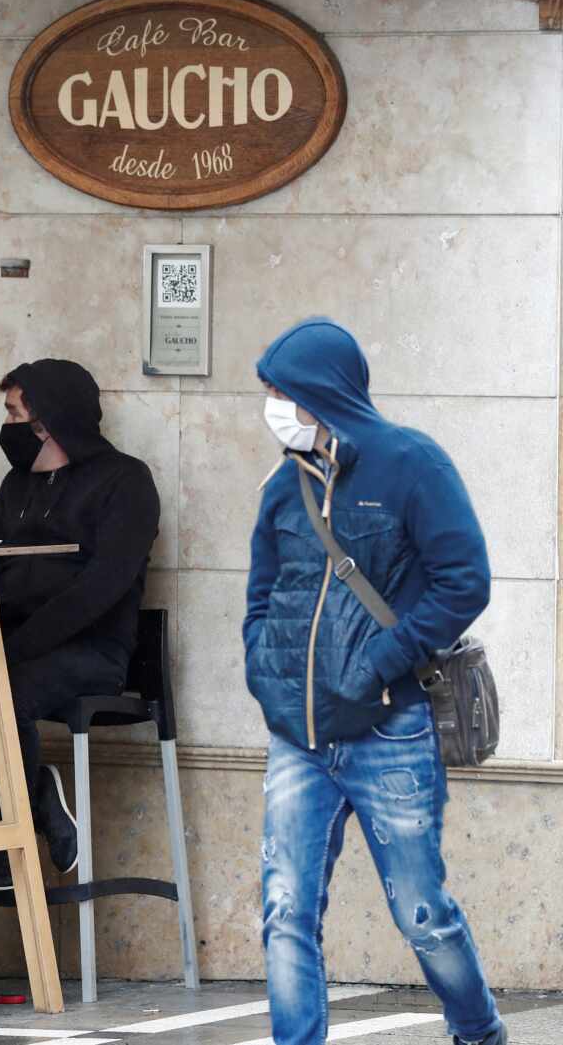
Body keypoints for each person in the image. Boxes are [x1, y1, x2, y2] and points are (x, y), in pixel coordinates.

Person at [244, 319, 506, 1045]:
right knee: (286, 906)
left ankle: (479, 1031)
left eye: (279, 392)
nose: (271, 406)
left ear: (317, 392)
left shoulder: (413, 464)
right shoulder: (283, 483)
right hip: (297, 736)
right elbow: (263, 591)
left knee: (423, 911)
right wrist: (263, 672)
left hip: (391, 728)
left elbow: (465, 581)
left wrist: (382, 661)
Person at [0, 359, 161, 891]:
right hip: (12, 649)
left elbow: (102, 588)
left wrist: (7, 649)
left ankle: (6, 857)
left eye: (14, 412)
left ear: (47, 421)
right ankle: (38, 799)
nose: (6, 425)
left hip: (90, 652)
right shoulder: (17, 486)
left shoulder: (125, 481)